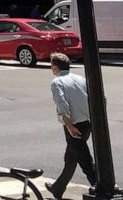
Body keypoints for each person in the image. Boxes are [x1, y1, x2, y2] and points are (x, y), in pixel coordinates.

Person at [45, 52, 98, 199]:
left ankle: (99, 187)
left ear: (55, 67)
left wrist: (69, 125)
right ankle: (58, 187)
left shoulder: (57, 82)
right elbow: (99, 97)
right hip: (87, 123)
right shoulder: (81, 79)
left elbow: (62, 104)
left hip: (74, 125)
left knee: (85, 160)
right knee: (71, 157)